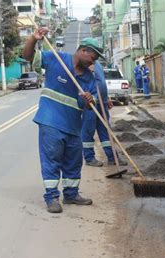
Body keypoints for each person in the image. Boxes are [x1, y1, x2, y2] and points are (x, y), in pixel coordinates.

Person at [23, 28, 100, 214]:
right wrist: (34, 39)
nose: (93, 62)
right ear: (83, 51)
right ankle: (52, 197)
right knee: (52, 160)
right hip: (51, 122)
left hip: (73, 127)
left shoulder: (89, 79)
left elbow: (91, 106)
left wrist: (90, 101)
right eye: (93, 57)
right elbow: (27, 56)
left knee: (73, 162)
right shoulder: (55, 59)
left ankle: (71, 194)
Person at [82, 61, 127, 167]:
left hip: (102, 101)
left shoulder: (97, 63)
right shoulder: (83, 62)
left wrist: (107, 98)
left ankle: (112, 157)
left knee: (106, 130)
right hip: (91, 103)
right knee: (88, 130)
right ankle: (89, 158)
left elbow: (101, 82)